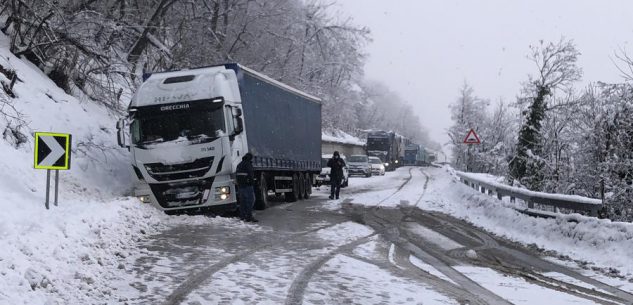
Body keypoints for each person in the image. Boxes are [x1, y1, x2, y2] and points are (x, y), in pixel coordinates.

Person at [236, 152, 258, 222]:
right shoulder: (248, 164)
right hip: (248, 186)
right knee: (250, 201)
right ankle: (249, 216)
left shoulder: (239, 164)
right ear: (250, 158)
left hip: (240, 186)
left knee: (243, 202)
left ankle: (242, 216)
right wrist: (252, 183)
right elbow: (250, 174)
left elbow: (237, 175)